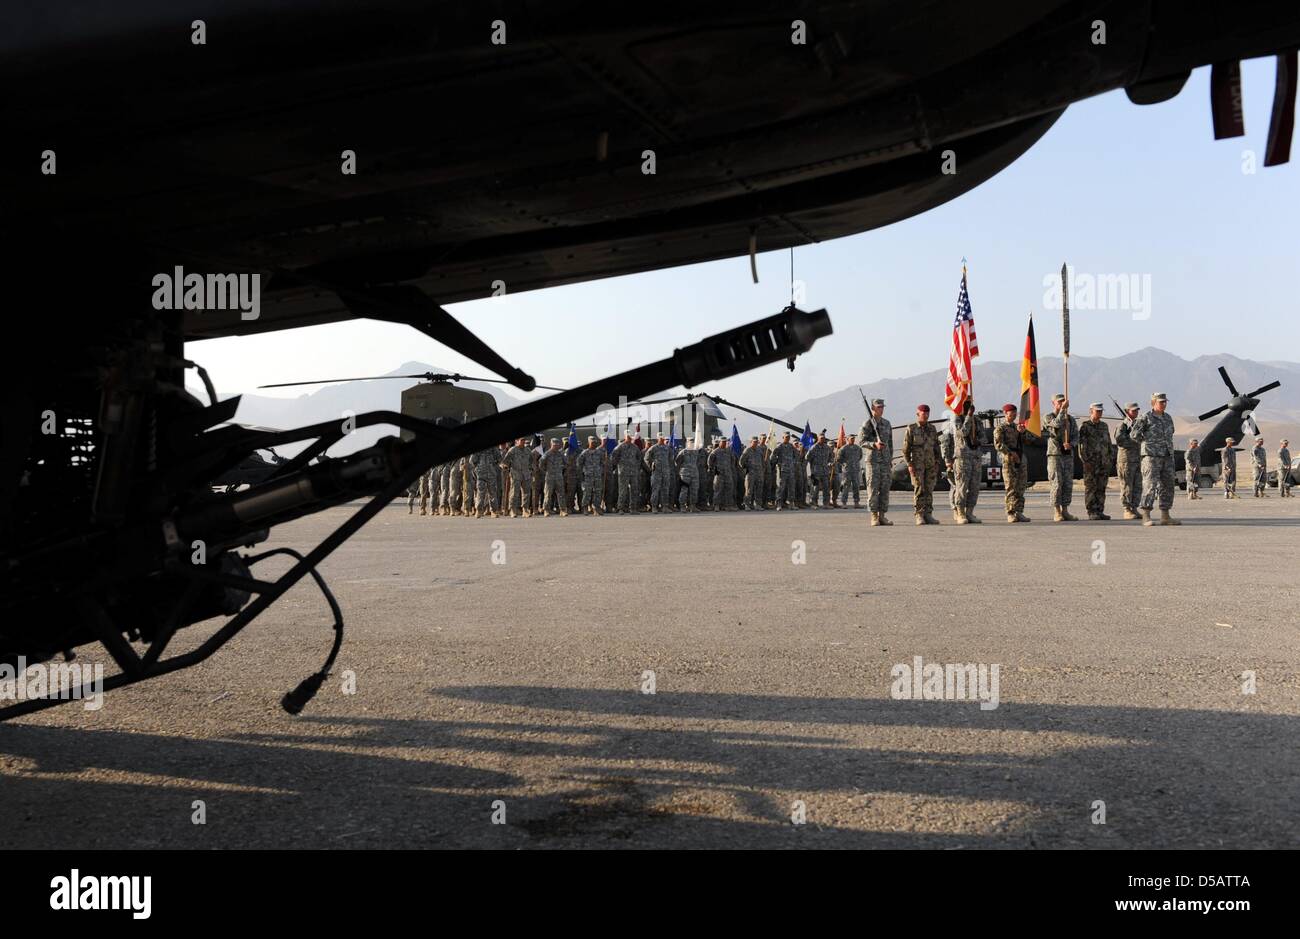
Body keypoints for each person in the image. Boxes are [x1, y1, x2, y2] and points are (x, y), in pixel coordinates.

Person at [1130, 392, 1180, 525]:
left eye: (1165, 402)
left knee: (1168, 486)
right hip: (1151, 457)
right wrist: (1147, 444)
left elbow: (1171, 433)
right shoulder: (1146, 417)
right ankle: (1146, 515)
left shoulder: (1168, 418)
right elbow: (1134, 434)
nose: (1164, 404)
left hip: (1167, 457)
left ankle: (1165, 516)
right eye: (1161, 402)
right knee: (1150, 485)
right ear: (1153, 402)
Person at [902, 404, 941, 524]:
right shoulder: (912, 428)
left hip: (930, 464)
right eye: (923, 413)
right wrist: (909, 464)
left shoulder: (932, 429)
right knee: (919, 489)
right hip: (917, 465)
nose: (926, 416)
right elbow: (906, 449)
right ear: (918, 414)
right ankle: (919, 514)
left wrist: (937, 462)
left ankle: (928, 514)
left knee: (929, 489)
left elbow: (936, 446)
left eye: (927, 413)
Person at [992, 404, 1031, 523]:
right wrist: (1011, 453)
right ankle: (1010, 512)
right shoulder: (1001, 428)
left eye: (1015, 413)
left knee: (1021, 486)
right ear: (1005, 413)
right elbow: (998, 444)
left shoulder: (1017, 427)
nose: (1014, 415)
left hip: (1021, 459)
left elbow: (1028, 441)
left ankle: (1019, 512)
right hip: (1009, 460)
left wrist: (1023, 432)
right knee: (1011, 487)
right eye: (1011, 413)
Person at [1043, 393, 1078, 522]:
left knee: (1067, 483)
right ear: (1053, 403)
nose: (1061, 403)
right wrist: (1062, 410)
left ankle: (1065, 510)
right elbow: (1056, 426)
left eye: (1063, 402)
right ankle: (1057, 511)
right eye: (1059, 402)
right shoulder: (1048, 417)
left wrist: (1071, 444)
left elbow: (1076, 436)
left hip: (1067, 455)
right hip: (1055, 455)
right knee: (1056, 483)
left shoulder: (1070, 419)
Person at [859, 398, 893, 526]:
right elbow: (861, 442)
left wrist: (889, 458)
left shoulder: (887, 423)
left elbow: (889, 443)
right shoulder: (867, 424)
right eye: (879, 407)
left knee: (885, 489)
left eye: (882, 407)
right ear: (872, 408)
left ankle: (882, 515)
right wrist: (874, 444)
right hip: (872, 461)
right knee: (873, 489)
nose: (881, 409)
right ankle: (874, 516)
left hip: (885, 461)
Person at [1077, 402, 1112, 520]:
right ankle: (1092, 511)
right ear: (1091, 411)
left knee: (1101, 487)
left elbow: (1108, 443)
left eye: (1101, 411)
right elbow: (1081, 446)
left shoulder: (1104, 426)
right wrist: (1085, 461)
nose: (1100, 413)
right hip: (1091, 463)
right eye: (1097, 411)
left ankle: (1100, 510)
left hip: (1103, 462)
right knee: (1091, 487)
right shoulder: (1085, 427)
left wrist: (1110, 458)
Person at [949, 401, 982, 524]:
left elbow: (984, 437)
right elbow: (962, 433)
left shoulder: (977, 420)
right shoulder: (957, 420)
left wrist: (977, 441)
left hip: (975, 457)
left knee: (974, 487)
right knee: (962, 486)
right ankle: (960, 513)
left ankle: (970, 512)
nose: (968, 408)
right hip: (962, 458)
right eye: (966, 405)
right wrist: (968, 417)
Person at [1114, 402, 1143, 520]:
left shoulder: (1137, 424)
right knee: (1127, 485)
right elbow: (1120, 440)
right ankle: (1127, 509)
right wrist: (1135, 441)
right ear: (1127, 411)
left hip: (1137, 459)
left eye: (1137, 410)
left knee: (1137, 485)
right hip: (1125, 460)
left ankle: (1134, 508)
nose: (1136, 412)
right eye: (1133, 410)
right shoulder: (1123, 425)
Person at [611, 433, 642, 514]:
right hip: (623, 472)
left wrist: (636, 466)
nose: (629, 438)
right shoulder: (620, 447)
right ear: (625, 437)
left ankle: (633, 508)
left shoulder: (635, 447)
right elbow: (613, 457)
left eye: (630, 437)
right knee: (623, 491)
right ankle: (620, 508)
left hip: (633, 472)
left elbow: (639, 457)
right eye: (628, 437)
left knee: (634, 490)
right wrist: (619, 466)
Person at [503, 438, 533, 517]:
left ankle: (525, 510)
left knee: (526, 492)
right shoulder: (513, 450)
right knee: (514, 492)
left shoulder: (528, 450)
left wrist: (530, 470)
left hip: (526, 474)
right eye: (521, 440)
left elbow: (531, 461)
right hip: (516, 473)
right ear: (517, 441)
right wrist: (506, 467)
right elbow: (505, 461)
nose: (523, 442)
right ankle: (512, 510)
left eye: (524, 440)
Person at [576, 436, 607, 515]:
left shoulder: (599, 453)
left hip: (597, 476)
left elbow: (602, 463)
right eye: (592, 442)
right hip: (588, 476)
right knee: (587, 492)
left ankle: (596, 507)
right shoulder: (584, 453)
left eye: (595, 442)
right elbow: (579, 464)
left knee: (598, 492)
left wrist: (601, 471)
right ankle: (585, 507)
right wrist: (582, 474)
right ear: (589, 443)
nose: (594, 443)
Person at [539, 438, 569, 517]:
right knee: (548, 494)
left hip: (559, 477)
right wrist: (546, 471)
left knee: (561, 494)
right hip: (550, 477)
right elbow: (541, 464)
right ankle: (546, 510)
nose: (556, 447)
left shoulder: (561, 454)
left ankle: (562, 510)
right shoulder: (547, 454)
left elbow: (566, 463)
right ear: (551, 445)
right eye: (554, 445)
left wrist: (562, 468)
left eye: (557, 445)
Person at [805, 433, 833, 509]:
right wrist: (809, 468)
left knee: (826, 488)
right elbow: (807, 458)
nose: (822, 439)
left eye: (823, 438)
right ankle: (814, 503)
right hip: (815, 472)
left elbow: (831, 457)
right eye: (821, 438)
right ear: (818, 438)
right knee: (815, 489)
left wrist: (830, 462)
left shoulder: (827, 448)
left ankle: (826, 504)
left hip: (825, 472)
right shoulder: (813, 448)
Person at [770, 432, 797, 509]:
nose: (787, 438)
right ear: (783, 437)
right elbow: (773, 456)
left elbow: (796, 455)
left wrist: (793, 463)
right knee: (780, 488)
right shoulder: (780, 447)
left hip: (791, 470)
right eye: (786, 437)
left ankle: (791, 504)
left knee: (791, 487)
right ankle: (778, 504)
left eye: (788, 437)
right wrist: (777, 463)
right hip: (782, 471)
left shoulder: (791, 446)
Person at [837, 434, 865, 508]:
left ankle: (856, 503)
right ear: (847, 439)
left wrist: (854, 464)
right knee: (846, 487)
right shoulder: (843, 448)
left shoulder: (858, 448)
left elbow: (860, 456)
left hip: (855, 471)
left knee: (856, 487)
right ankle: (844, 503)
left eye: (853, 438)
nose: (853, 440)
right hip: (847, 471)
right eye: (851, 438)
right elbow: (838, 458)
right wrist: (845, 464)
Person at [739, 436, 765, 509]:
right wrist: (746, 468)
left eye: (756, 442)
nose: (755, 443)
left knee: (759, 489)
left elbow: (762, 461)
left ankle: (758, 505)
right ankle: (747, 504)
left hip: (759, 473)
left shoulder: (759, 450)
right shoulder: (747, 450)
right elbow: (741, 462)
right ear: (751, 442)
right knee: (749, 490)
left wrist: (762, 469)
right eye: (754, 442)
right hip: (751, 474)